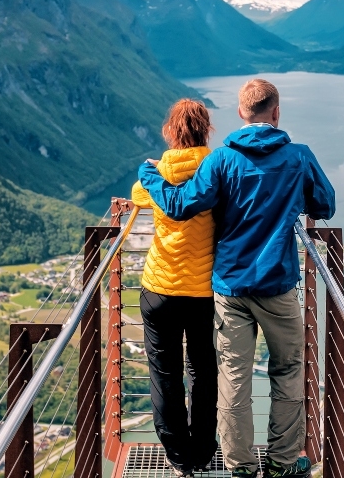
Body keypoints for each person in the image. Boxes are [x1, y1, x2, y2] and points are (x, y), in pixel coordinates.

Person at [138, 79, 336, 478]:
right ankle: (281, 462)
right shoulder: (299, 157)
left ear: (241, 113)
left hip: (229, 286)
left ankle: (240, 466)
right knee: (287, 370)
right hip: (278, 285)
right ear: (276, 113)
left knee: (232, 377)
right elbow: (325, 206)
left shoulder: (222, 160)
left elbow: (179, 205)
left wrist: (151, 174)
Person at [129, 99, 219, 477]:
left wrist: (155, 173)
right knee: (203, 371)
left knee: (164, 375)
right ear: (206, 130)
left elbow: (136, 195)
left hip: (159, 290)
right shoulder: (218, 170)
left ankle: (178, 456)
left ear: (172, 131)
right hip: (201, 293)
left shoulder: (159, 172)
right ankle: (202, 450)